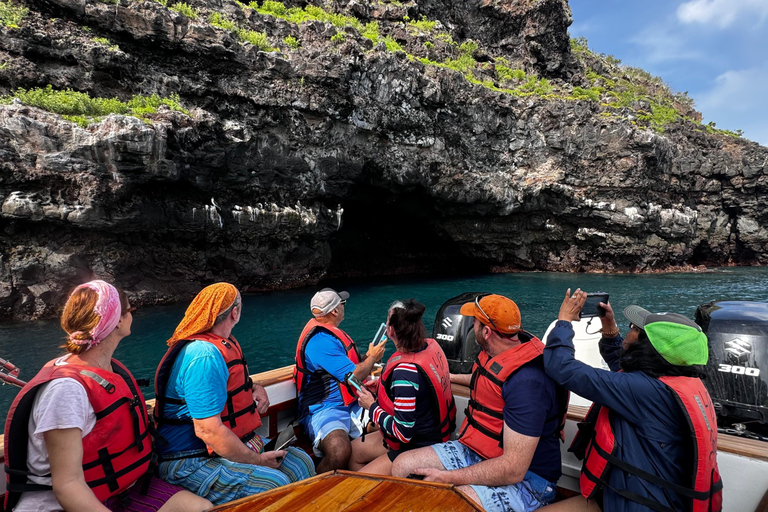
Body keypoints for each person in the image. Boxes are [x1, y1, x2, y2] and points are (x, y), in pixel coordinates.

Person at [3, 280, 210, 512]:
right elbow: (68, 486)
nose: (133, 315)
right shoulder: (66, 390)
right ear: (118, 320)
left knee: (202, 508)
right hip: (61, 504)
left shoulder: (106, 368)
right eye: (130, 310)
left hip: (120, 490)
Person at [540, 289, 722, 512]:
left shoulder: (644, 390)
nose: (629, 330)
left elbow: (562, 367)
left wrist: (564, 321)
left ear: (647, 347)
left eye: (634, 329)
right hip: (637, 499)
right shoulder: (675, 380)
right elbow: (622, 367)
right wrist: (609, 327)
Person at [391, 294, 568, 512]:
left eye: (474, 321)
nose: (470, 325)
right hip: (477, 451)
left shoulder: (527, 383)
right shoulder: (498, 350)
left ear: (486, 332)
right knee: (402, 466)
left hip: (528, 480)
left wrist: (447, 477)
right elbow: (487, 381)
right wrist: (448, 377)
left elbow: (513, 469)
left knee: (453, 503)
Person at [153, 283, 315, 506]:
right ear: (235, 312)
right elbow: (208, 431)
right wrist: (258, 461)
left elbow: (226, 386)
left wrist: (254, 387)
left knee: (301, 463)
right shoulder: (203, 355)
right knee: (273, 484)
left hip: (227, 447)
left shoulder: (222, 345)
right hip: (189, 460)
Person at [349, 299, 456, 475]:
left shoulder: (405, 373)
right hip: (435, 432)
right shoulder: (429, 346)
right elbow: (420, 391)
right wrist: (384, 388)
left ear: (390, 331)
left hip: (416, 445)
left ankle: (376, 494)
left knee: (356, 482)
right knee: (352, 451)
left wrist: (371, 406)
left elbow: (403, 432)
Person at [293, 288, 386, 472]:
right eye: (342, 303)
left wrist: (368, 357)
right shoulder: (320, 342)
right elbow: (354, 376)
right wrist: (373, 358)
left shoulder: (330, 334)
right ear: (335, 311)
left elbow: (348, 369)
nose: (344, 306)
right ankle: (314, 486)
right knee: (339, 450)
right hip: (323, 410)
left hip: (351, 404)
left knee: (387, 426)